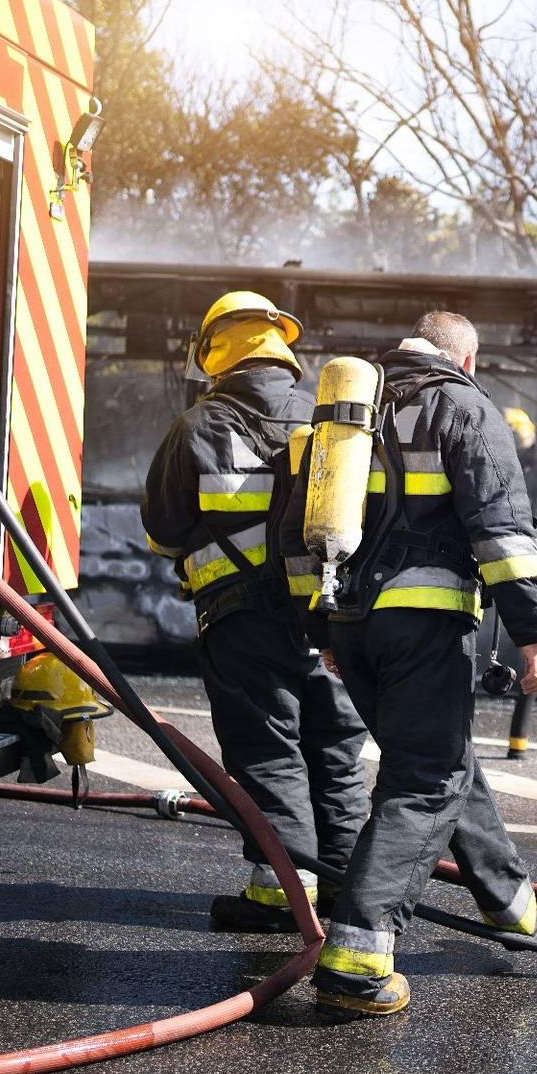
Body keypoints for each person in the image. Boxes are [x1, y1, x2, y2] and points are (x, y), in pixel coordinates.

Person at [301, 311, 537, 1017]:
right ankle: (358, 953)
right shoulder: (466, 407)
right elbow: (503, 533)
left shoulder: (348, 410)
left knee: (436, 755)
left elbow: (300, 522)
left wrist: (322, 623)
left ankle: (508, 901)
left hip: (353, 625)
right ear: (465, 357)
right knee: (426, 778)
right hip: (426, 625)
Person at [141, 291, 368, 931]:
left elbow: (163, 532)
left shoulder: (198, 426)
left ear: (214, 352)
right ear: (281, 345)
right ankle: (350, 892)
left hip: (242, 621)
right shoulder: (332, 422)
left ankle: (281, 896)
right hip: (328, 617)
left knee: (268, 752)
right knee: (336, 751)